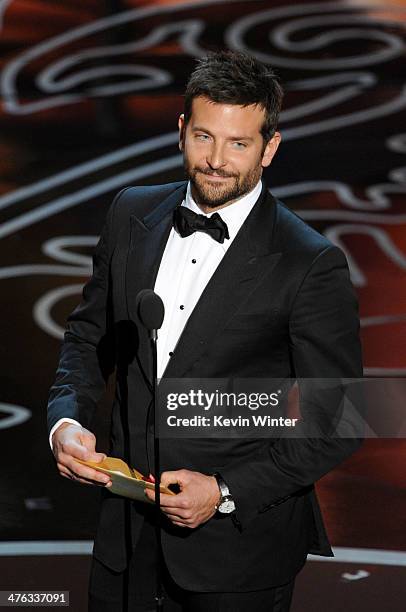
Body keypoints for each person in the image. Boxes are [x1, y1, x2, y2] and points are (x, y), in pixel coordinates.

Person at [47, 51, 363, 611]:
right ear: (180, 132)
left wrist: (222, 492)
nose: (216, 161)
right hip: (124, 541)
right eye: (203, 137)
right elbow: (89, 335)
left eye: (238, 144)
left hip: (237, 559)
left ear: (269, 147)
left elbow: (335, 421)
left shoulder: (309, 262)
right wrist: (66, 418)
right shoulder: (130, 213)